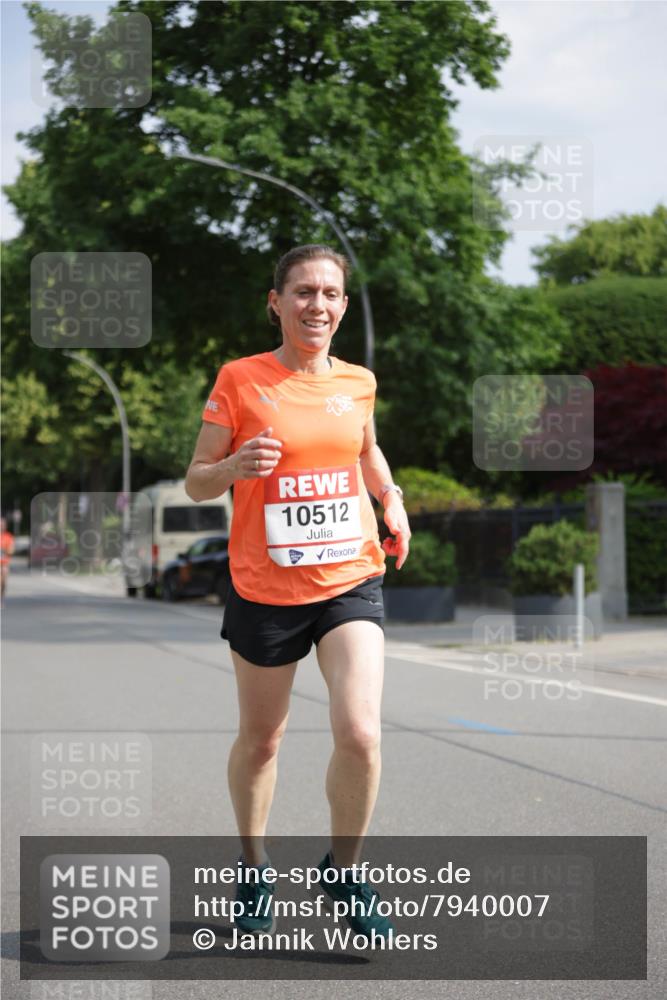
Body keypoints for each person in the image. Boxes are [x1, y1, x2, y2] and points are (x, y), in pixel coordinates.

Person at [185, 244, 411, 940]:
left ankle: (344, 871)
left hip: (349, 576)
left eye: (331, 294)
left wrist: (390, 497)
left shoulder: (359, 381)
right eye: (304, 292)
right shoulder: (240, 380)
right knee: (261, 741)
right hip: (264, 586)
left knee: (361, 732)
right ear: (275, 301)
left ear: (343, 305)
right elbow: (196, 478)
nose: (318, 305)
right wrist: (231, 465)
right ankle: (253, 867)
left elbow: (363, 448)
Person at [0, 517, 15, 606]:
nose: (1, 526)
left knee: (4, 582)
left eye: (3, 525)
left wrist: (6, 550)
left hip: (5, 563)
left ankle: (1, 598)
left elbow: (12, 550)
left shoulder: (8, 536)